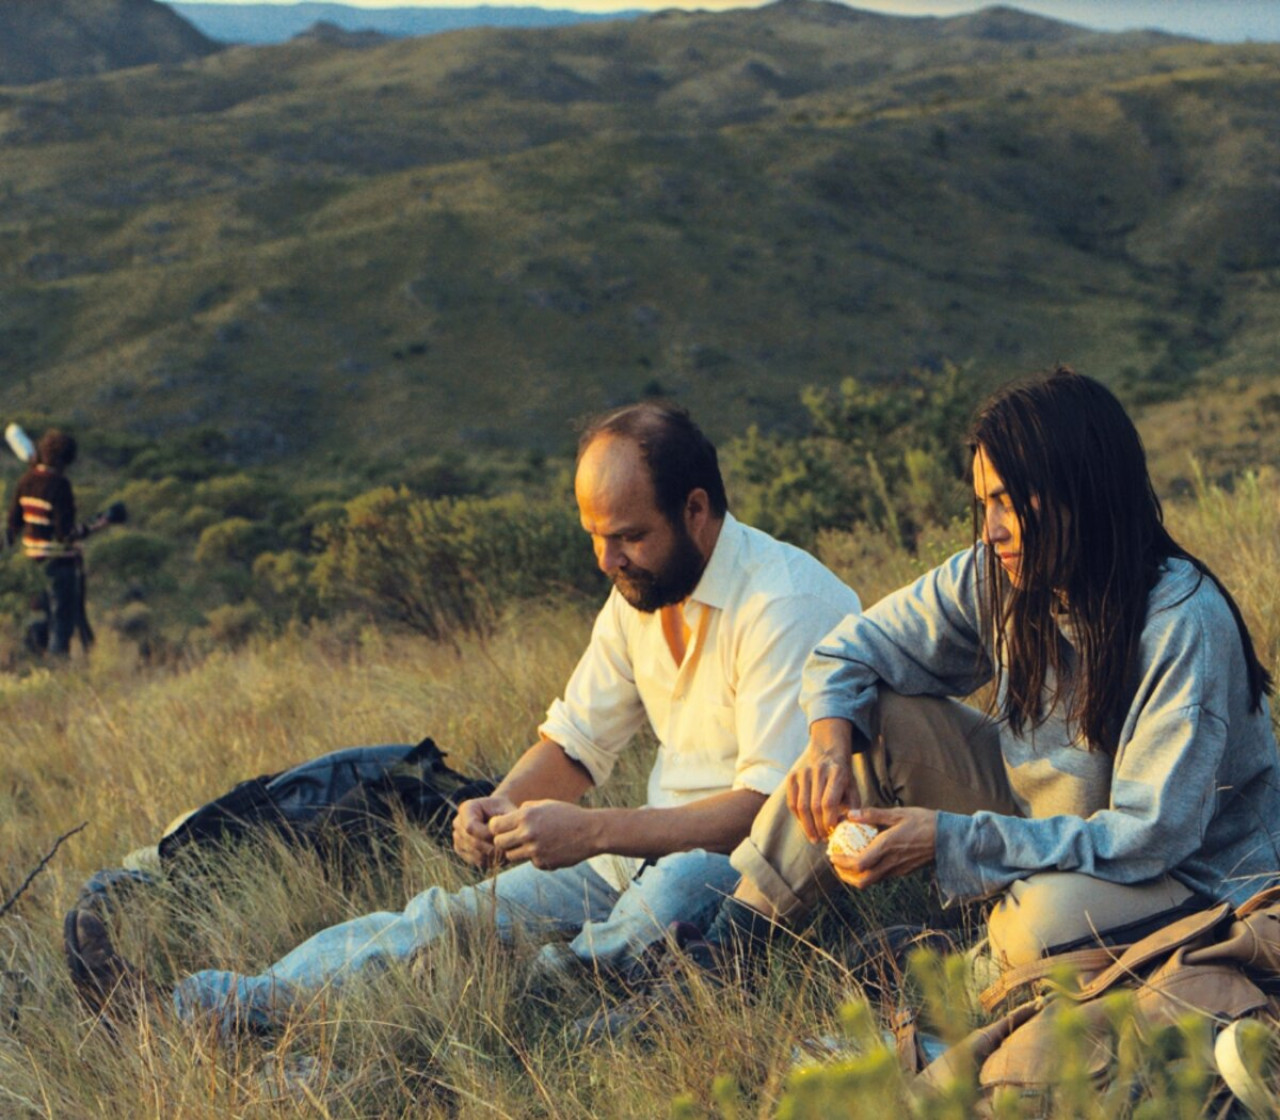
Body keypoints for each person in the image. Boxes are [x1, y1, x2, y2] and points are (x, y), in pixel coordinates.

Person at [65, 401, 862, 1033]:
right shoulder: (640, 594)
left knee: (670, 898)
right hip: (636, 855)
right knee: (446, 919)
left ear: (695, 510)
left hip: (757, 872)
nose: (606, 561)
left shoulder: (782, 602)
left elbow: (764, 815)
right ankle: (199, 1010)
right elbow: (576, 745)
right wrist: (503, 803)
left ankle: (536, 995)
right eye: (593, 538)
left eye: (627, 537)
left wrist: (591, 832)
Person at [599, 367, 1280, 1032]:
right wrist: (830, 742)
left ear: (1085, 492)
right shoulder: (1001, 573)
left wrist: (952, 839)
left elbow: (1147, 838)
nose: (993, 529)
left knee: (1043, 927)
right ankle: (722, 957)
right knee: (875, 720)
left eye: (1013, 501)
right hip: (1046, 821)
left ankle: (946, 966)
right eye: (985, 502)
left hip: (1188, 873)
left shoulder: (1182, 623)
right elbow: (848, 651)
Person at [5, 429, 108, 657]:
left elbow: (13, 523)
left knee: (39, 620)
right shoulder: (60, 485)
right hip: (59, 564)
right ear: (66, 459)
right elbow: (65, 534)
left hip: (32, 563)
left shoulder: (26, 481)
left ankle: (33, 668)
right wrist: (98, 525)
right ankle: (57, 671)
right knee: (62, 623)